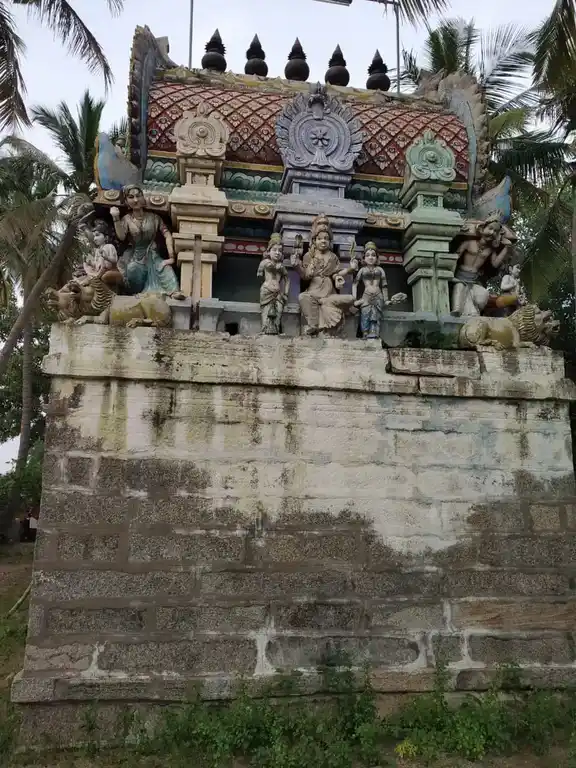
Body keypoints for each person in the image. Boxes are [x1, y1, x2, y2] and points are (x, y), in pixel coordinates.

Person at [110, 184, 184, 298]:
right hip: (135, 257)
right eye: (131, 197)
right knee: (132, 269)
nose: (135, 200)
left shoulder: (154, 218)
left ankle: (174, 293)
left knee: (166, 268)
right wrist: (116, 218)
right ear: (126, 201)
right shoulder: (126, 219)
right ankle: (135, 293)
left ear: (143, 197)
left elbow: (167, 234)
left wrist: (171, 257)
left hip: (153, 255)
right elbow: (121, 237)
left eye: (138, 196)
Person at [291, 215, 358, 336]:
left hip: (328, 293)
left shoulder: (333, 257)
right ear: (314, 241)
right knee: (303, 297)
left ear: (329, 241)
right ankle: (313, 325)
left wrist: (349, 270)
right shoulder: (309, 256)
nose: (323, 241)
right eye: (320, 239)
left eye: (326, 239)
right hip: (313, 291)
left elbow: (336, 274)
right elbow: (305, 276)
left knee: (350, 299)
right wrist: (296, 266)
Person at [257, 234, 290, 335]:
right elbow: (259, 276)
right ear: (268, 251)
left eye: (280, 251)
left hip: (278, 294)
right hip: (267, 291)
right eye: (274, 250)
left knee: (278, 311)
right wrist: (265, 267)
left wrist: (286, 294)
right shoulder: (265, 262)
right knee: (266, 312)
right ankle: (264, 329)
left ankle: (276, 330)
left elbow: (287, 279)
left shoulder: (282, 267)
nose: (277, 253)